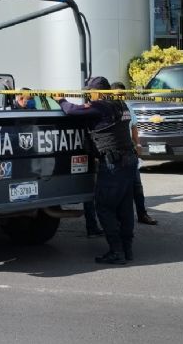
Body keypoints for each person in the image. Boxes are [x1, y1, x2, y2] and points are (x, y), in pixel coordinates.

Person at [56, 77, 138, 265]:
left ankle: (116, 251)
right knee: (125, 208)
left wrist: (60, 99)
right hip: (128, 161)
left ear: (99, 92)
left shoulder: (101, 106)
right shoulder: (121, 105)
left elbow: (71, 110)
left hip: (114, 164)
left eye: (90, 91)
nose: (89, 95)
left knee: (105, 207)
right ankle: (127, 249)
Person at [111, 81, 158, 225]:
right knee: (117, 187)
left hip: (129, 153)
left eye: (122, 94)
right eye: (117, 94)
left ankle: (142, 214)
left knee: (137, 185)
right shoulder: (109, 109)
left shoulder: (128, 107)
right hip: (115, 154)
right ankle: (118, 218)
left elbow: (134, 127)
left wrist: (138, 143)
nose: (120, 97)